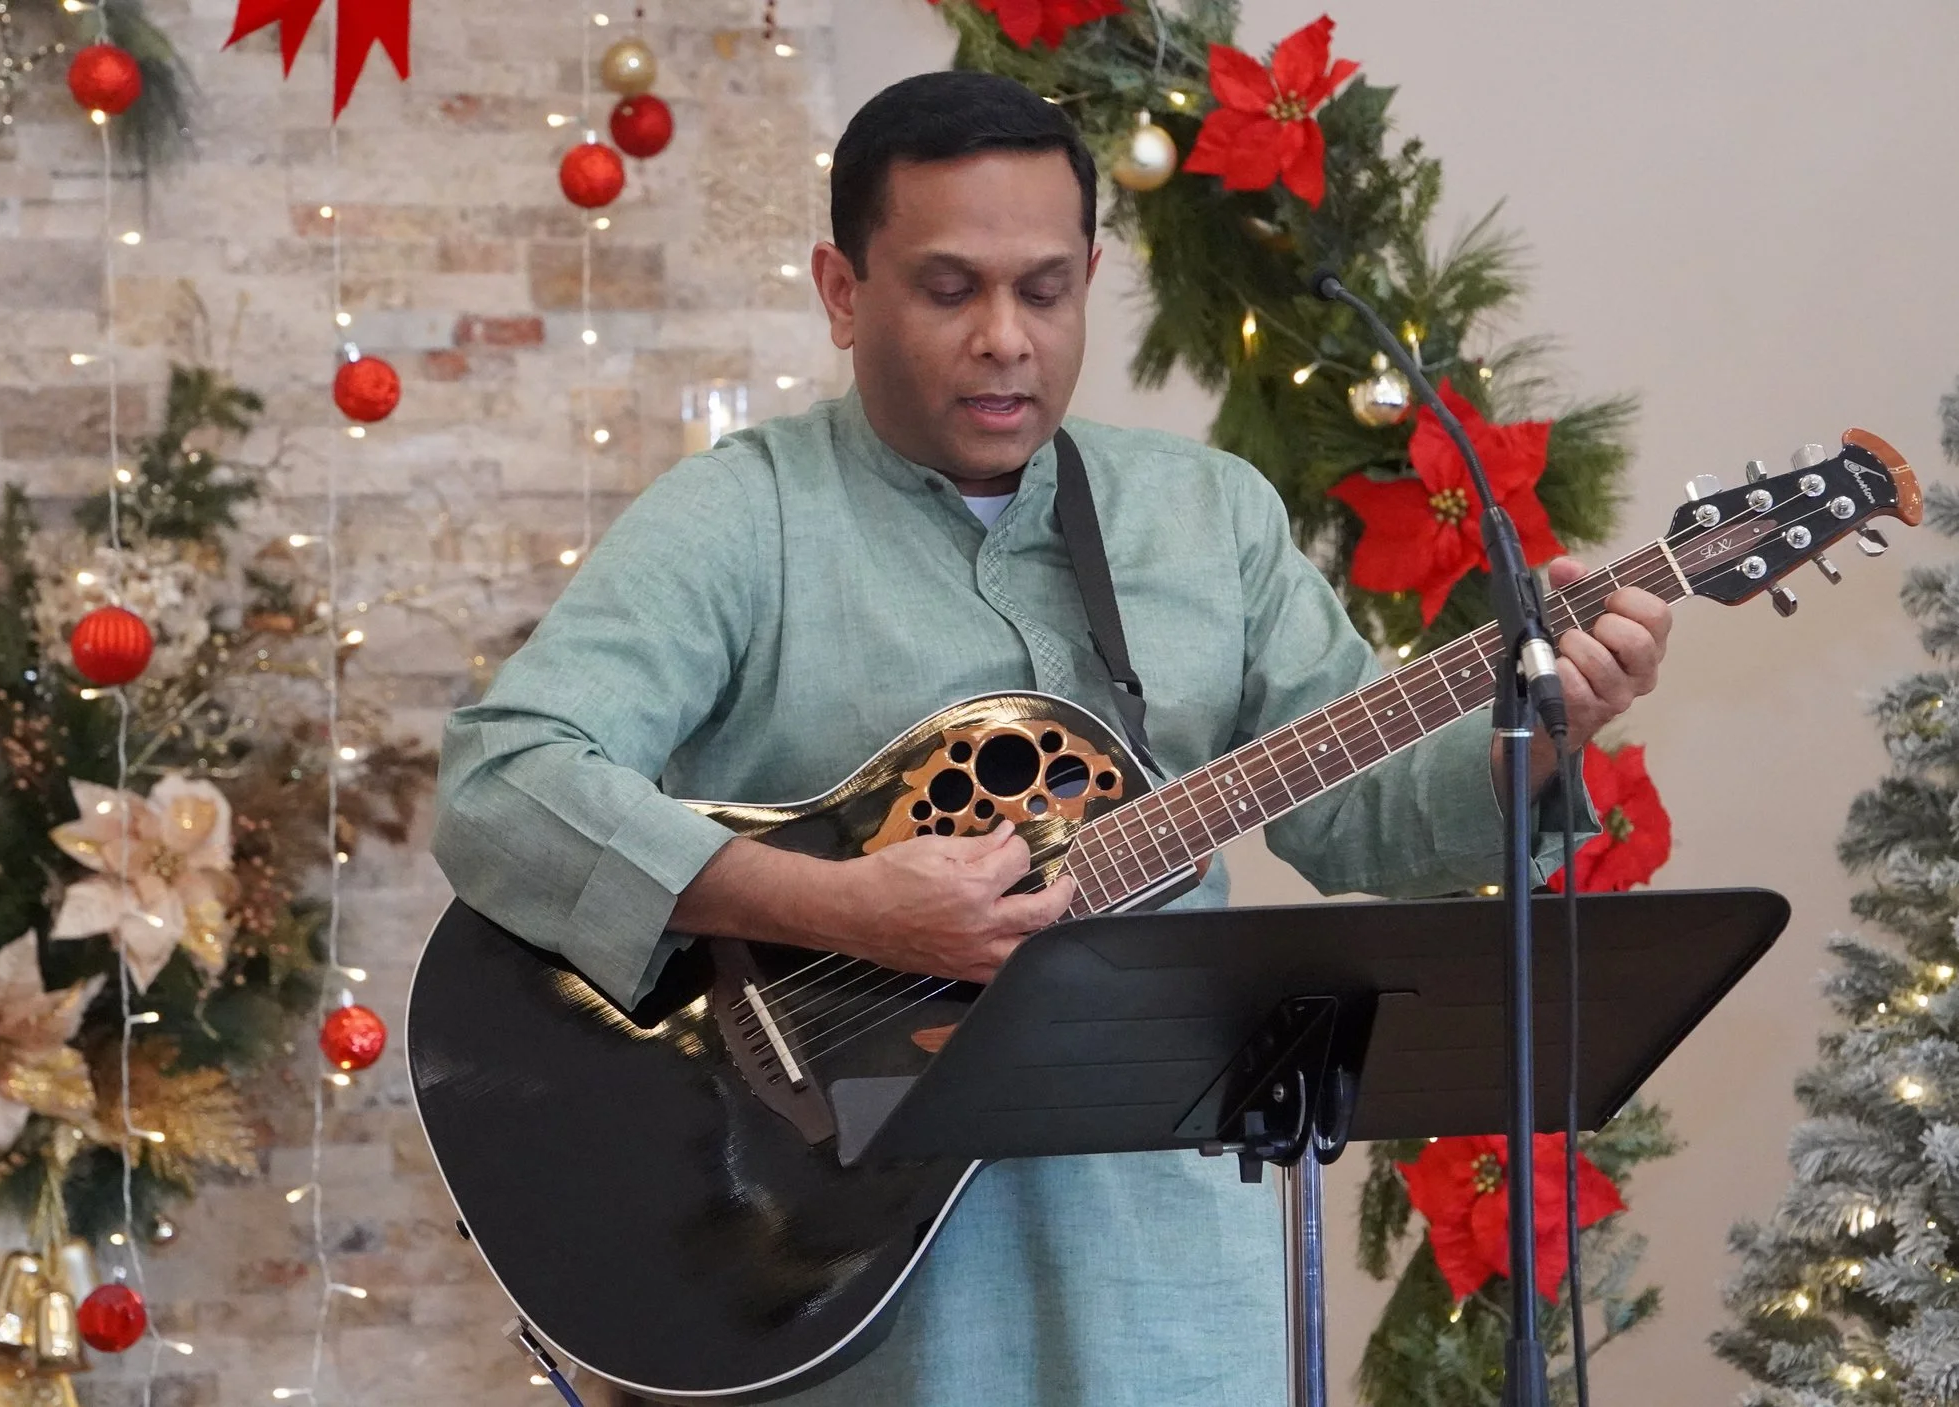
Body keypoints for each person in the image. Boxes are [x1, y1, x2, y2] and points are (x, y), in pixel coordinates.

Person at [433, 69, 1668, 1407]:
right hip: (852, 1297)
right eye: (949, 288)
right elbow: (505, 780)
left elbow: (1365, 816)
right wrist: (841, 907)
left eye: (1044, 289)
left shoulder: (1210, 517)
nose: (1005, 338)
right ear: (843, 293)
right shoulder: (738, 520)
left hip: (1171, 1286)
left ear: (1090, 276)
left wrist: (1540, 737)